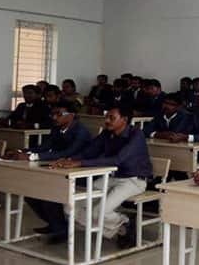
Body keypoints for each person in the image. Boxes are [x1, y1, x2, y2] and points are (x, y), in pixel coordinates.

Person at [51, 105, 152, 249]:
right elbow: (89, 152)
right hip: (111, 178)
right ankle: (122, 227)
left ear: (124, 119)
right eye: (106, 117)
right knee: (69, 207)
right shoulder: (107, 133)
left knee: (99, 212)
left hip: (134, 180)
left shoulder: (136, 134)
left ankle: (123, 223)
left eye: (112, 118)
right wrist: (68, 160)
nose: (107, 121)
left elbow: (118, 159)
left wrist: (80, 163)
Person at [3, 101, 92, 243]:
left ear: (71, 115)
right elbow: (44, 147)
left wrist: (32, 157)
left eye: (59, 114)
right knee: (30, 193)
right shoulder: (56, 128)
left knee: (47, 192)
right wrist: (22, 151)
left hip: (81, 171)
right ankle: (56, 224)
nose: (54, 117)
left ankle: (60, 229)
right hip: (60, 168)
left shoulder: (81, 132)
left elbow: (68, 153)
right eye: (53, 114)